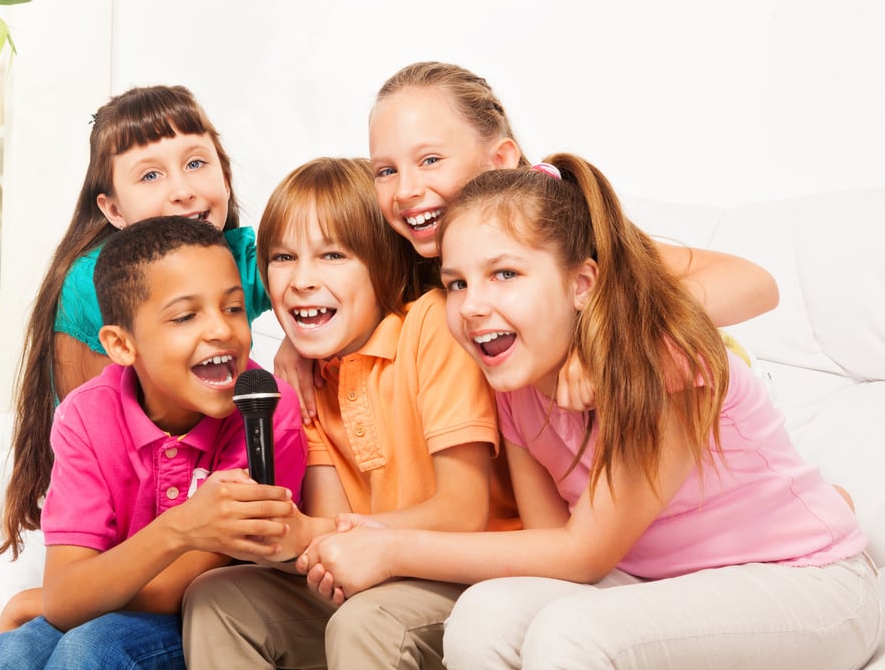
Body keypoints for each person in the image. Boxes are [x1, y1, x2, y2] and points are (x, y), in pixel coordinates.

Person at [296, 155, 880, 670]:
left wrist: (395, 548)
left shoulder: (666, 360)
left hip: (808, 582)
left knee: (572, 633)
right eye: (455, 283)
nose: (473, 305)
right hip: (659, 584)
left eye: (505, 274)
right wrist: (367, 532)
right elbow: (552, 545)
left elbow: (585, 552)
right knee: (483, 616)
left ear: (581, 284)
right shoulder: (513, 387)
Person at [276, 62, 780, 419]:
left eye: (430, 160)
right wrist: (303, 345)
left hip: (707, 397)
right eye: (385, 170)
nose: (406, 189)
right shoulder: (412, 257)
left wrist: (609, 333)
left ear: (499, 160)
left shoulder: (559, 229)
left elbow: (756, 283)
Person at [182, 157, 508, 669]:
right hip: (376, 580)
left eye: (332, 255)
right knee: (216, 599)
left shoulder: (431, 327)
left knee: (365, 620)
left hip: (468, 579)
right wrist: (279, 533)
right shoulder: (303, 378)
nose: (302, 280)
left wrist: (311, 535)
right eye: (284, 257)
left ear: (383, 262)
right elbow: (331, 526)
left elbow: (463, 512)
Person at [0, 215, 306, 670]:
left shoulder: (263, 408)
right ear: (122, 345)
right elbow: (67, 595)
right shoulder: (86, 416)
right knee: (10, 652)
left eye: (233, 308)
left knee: (93, 648)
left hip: (209, 616)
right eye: (186, 316)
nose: (222, 330)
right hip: (113, 609)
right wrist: (182, 527)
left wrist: (50, 601)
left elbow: (174, 590)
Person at [0, 84, 269, 562]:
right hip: (118, 517)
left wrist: (305, 351)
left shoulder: (241, 255)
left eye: (196, 163)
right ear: (114, 209)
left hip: (190, 497)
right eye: (150, 175)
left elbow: (332, 282)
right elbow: (121, 455)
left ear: (224, 175)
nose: (182, 189)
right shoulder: (94, 281)